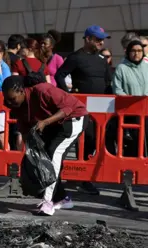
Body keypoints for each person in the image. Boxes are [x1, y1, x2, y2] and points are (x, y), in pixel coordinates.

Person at [2, 75, 88, 216]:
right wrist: (29, 152)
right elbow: (24, 130)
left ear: (22, 91)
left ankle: (48, 203)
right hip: (52, 125)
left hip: (73, 119)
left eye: (12, 99)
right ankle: (62, 198)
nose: (10, 102)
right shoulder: (18, 106)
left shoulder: (43, 90)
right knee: (44, 159)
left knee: (54, 154)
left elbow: (67, 109)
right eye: (7, 99)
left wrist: (45, 122)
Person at [54, 25, 112, 196]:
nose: (101, 42)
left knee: (92, 141)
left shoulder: (102, 59)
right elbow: (59, 75)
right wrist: (68, 94)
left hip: (101, 110)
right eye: (98, 39)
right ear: (88, 39)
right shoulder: (76, 57)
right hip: (81, 108)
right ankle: (67, 174)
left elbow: (108, 82)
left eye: (102, 39)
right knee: (74, 141)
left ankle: (85, 178)